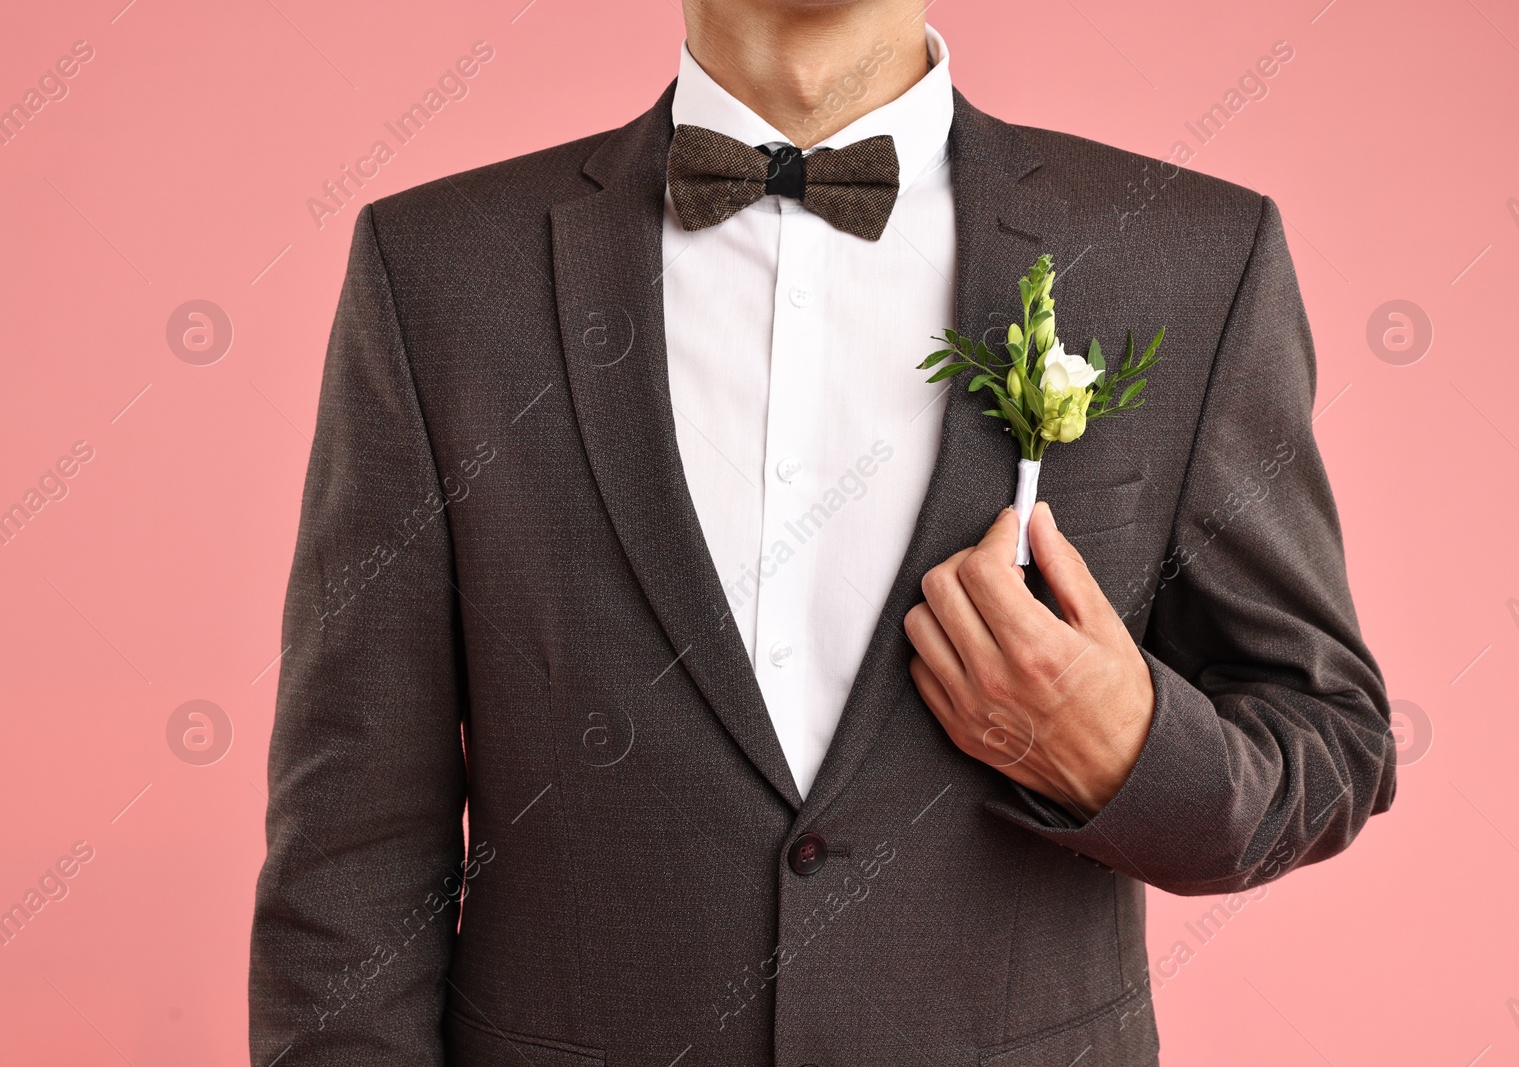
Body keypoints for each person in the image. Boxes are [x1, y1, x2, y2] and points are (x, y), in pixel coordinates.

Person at [249, 1, 1396, 1063]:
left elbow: (1331, 736)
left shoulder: (1188, 256)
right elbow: (352, 847)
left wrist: (1128, 751)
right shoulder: (439, 270)